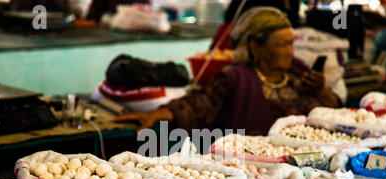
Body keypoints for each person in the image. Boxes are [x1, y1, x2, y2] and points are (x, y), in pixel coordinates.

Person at [114, 7, 342, 136]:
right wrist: (157, 114)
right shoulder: (235, 79)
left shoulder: (300, 74)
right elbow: (199, 104)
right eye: (281, 44)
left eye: (290, 43)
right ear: (255, 47)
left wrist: (321, 90)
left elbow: (335, 117)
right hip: (253, 168)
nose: (289, 51)